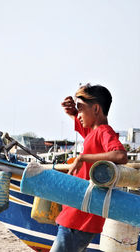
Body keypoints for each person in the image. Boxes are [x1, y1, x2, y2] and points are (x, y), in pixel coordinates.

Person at [50, 84, 128, 252]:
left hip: (79, 217)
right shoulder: (93, 133)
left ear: (96, 109)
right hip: (77, 214)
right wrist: (72, 113)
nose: (79, 115)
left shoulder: (104, 131)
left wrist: (82, 157)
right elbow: (86, 129)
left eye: (81, 109)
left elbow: (120, 155)